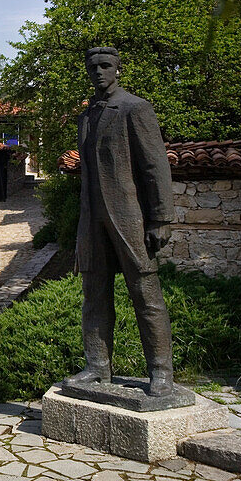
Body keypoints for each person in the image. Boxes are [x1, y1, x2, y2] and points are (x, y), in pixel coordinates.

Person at [65, 47, 176, 397]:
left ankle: (161, 372)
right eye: (93, 67)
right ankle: (98, 368)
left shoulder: (135, 108)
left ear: (117, 69)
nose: (98, 71)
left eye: (105, 66)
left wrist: (160, 218)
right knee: (94, 297)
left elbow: (154, 165)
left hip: (129, 219)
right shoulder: (85, 117)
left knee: (146, 296)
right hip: (93, 220)